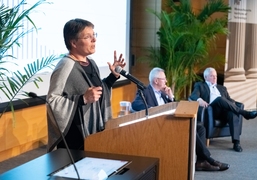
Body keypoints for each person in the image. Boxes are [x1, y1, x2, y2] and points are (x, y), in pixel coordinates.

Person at [46, 18, 125, 152]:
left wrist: (113, 77)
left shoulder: (92, 63)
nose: (94, 40)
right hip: (75, 137)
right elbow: (52, 101)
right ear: (74, 42)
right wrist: (82, 99)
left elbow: (97, 93)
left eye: (94, 35)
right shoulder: (65, 66)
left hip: (93, 132)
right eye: (88, 37)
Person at [131, 67, 229, 171]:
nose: (166, 81)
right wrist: (154, 110)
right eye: (164, 79)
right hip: (159, 126)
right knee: (190, 128)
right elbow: (136, 104)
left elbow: (177, 108)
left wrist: (171, 97)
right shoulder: (145, 92)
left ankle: (201, 161)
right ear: (156, 81)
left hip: (171, 122)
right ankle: (210, 160)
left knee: (200, 128)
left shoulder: (164, 94)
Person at [189, 67, 257, 152]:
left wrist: (233, 103)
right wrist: (200, 100)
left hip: (223, 111)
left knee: (232, 114)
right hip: (211, 110)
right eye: (212, 76)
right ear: (205, 77)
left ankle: (236, 143)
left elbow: (229, 100)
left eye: (216, 76)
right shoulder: (200, 85)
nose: (215, 78)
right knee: (219, 99)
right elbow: (193, 96)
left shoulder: (222, 88)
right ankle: (244, 113)